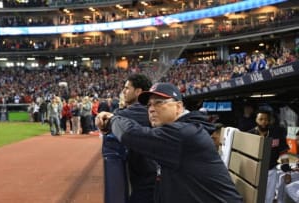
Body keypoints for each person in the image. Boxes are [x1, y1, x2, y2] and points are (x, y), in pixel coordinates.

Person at [96, 82, 243, 203]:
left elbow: (131, 134)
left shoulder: (182, 134)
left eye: (159, 103)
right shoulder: (183, 128)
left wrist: (112, 119)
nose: (152, 109)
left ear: (178, 107)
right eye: (149, 105)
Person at [101, 73, 155, 203]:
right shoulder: (153, 110)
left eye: (127, 88)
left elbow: (108, 123)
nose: (123, 91)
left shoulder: (128, 114)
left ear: (138, 91)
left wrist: (107, 118)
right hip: (158, 176)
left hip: (144, 179)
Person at [247, 107, 289, 203]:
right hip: (254, 171)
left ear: (269, 121)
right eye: (261, 119)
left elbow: (284, 154)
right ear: (256, 120)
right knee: (253, 197)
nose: (264, 122)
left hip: (271, 171)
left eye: (266, 119)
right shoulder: (249, 135)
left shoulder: (276, 134)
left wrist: (287, 172)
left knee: (268, 198)